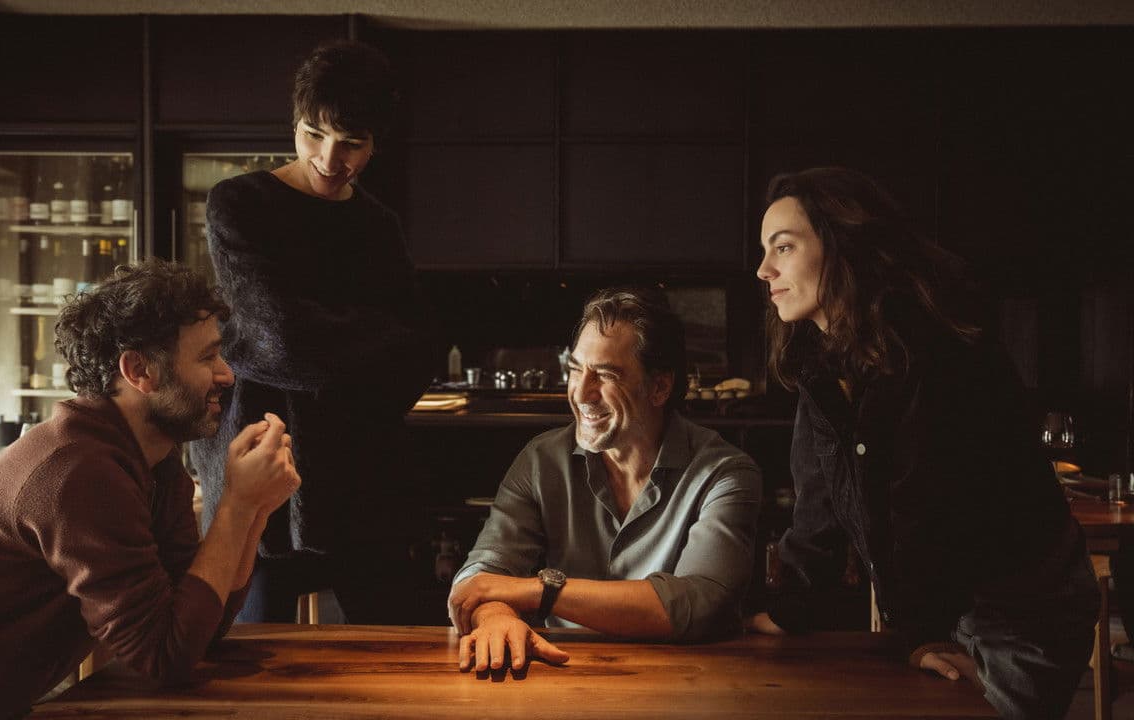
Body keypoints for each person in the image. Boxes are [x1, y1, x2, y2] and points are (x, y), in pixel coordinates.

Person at [0, 260, 300, 719]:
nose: (227, 374)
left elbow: (198, 629)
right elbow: (163, 656)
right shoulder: (80, 470)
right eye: (207, 358)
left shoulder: (156, 464)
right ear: (139, 370)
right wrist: (236, 505)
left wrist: (254, 510)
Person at [747, 167, 1098, 719]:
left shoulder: (936, 347)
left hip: (1018, 608)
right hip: (945, 609)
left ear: (843, 246)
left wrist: (923, 633)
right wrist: (787, 611)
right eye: (765, 250)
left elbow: (942, 512)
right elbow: (818, 507)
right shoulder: (820, 361)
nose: (764, 269)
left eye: (783, 247)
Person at [188, 40, 434, 625]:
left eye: (351, 143)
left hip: (359, 477)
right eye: (313, 134)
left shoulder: (378, 225)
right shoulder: (240, 203)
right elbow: (281, 339)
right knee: (247, 651)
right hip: (261, 456)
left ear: (375, 143)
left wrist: (301, 339)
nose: (329, 157)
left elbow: (416, 356)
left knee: (395, 647)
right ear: (294, 125)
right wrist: (367, 340)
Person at [448, 287, 762, 672]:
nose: (581, 392)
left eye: (606, 375)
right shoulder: (541, 460)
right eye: (576, 369)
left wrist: (543, 592)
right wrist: (497, 616)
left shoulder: (725, 473)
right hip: (565, 673)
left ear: (660, 387)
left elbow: (701, 604)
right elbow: (480, 579)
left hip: (688, 682)